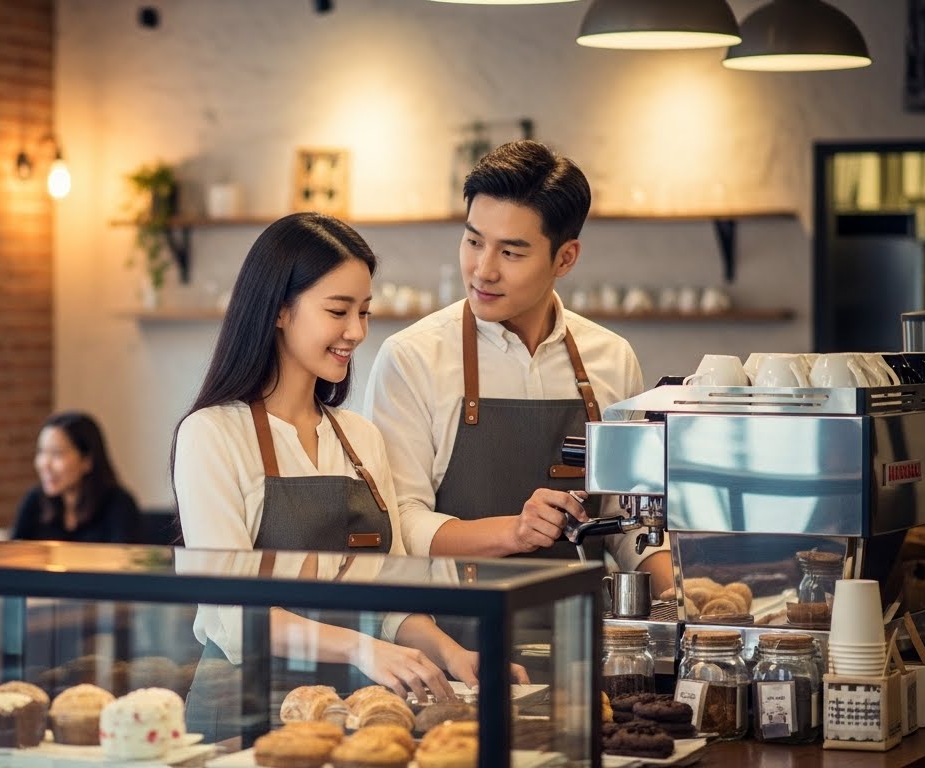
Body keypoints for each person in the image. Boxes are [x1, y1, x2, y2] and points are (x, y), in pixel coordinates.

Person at [172, 212, 482, 740]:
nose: (357, 332)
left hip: (353, 711)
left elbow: (390, 595)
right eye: (338, 311)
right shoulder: (212, 435)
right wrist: (362, 647)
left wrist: (452, 654)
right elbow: (232, 616)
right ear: (279, 310)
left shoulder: (361, 438)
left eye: (363, 312)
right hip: (243, 715)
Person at [364, 139, 672, 593]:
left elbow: (627, 522)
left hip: (582, 636)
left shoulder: (611, 358)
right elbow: (400, 523)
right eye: (473, 241)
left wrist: (684, 601)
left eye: (510, 252)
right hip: (456, 640)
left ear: (565, 258)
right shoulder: (412, 358)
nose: (482, 270)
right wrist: (515, 532)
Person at [11, 411, 142, 543]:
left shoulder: (119, 505)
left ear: (87, 460)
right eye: (41, 452)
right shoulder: (34, 501)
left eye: (56, 454)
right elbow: (10, 557)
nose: (44, 464)